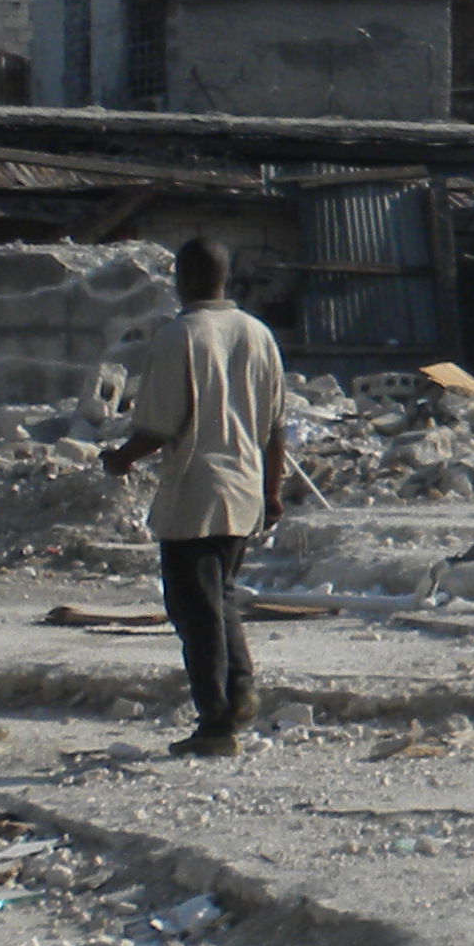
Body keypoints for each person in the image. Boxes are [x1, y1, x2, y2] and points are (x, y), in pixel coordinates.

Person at [101, 240, 289, 757]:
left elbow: (158, 427)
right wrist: (272, 492)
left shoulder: (179, 336)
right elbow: (276, 427)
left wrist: (119, 459)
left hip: (195, 495)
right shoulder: (258, 334)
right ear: (225, 277)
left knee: (194, 610)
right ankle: (241, 688)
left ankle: (216, 722)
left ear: (182, 277)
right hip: (245, 489)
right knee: (220, 597)